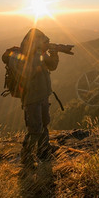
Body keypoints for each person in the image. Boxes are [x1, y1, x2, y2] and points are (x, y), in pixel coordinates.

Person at [8, 28, 59, 169]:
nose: (45, 45)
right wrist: (40, 55)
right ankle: (26, 157)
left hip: (43, 95)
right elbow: (28, 73)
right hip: (31, 98)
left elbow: (52, 66)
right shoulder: (20, 57)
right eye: (43, 42)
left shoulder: (39, 54)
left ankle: (44, 151)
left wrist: (54, 52)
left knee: (44, 124)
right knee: (35, 129)